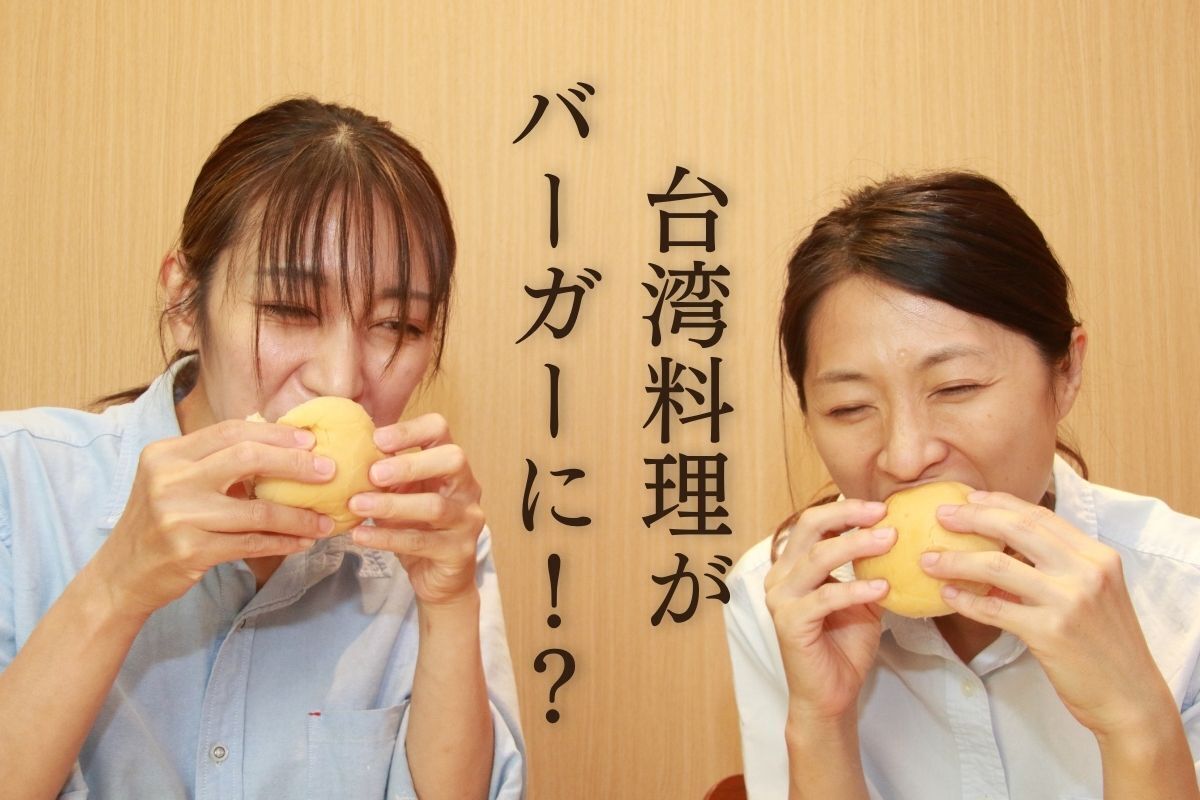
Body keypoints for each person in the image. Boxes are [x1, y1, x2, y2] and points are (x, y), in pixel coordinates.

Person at [0, 97, 524, 799]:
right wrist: (116, 587)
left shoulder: (430, 537)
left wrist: (450, 604)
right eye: (290, 310)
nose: (341, 379)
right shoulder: (22, 481)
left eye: (397, 324)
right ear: (184, 302)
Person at [723, 171, 1200, 799]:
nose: (906, 457)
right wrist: (821, 723)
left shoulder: (1184, 593)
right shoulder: (781, 600)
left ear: (1066, 372)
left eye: (957, 388)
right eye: (849, 407)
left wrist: (1136, 720)